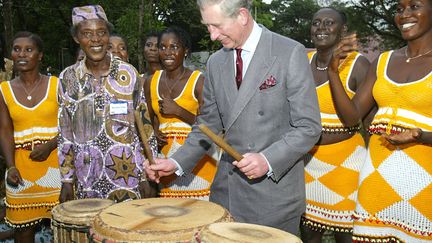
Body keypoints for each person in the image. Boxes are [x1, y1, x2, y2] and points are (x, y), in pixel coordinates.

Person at [145, 0, 322, 235]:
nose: (212, 35)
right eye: (207, 26)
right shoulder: (216, 62)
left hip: (272, 199)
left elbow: (308, 127)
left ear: (242, 16)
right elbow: (207, 124)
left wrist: (267, 160)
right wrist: (176, 162)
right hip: (226, 194)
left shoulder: (289, 52)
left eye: (217, 26)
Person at [326, 0, 432, 241]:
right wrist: (333, 72)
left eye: (414, 6)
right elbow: (352, 116)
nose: (405, 14)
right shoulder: (383, 61)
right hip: (376, 178)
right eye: (399, 9)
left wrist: (421, 135)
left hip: (425, 183)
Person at [58, 5, 156, 203]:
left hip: (128, 176)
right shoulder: (67, 78)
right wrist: (67, 180)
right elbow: (65, 133)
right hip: (86, 179)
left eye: (101, 33)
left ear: (108, 35)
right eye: (87, 33)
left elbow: (145, 128)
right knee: (89, 233)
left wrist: (148, 175)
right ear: (77, 38)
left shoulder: (128, 74)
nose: (95, 40)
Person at [300, 8, 370, 243]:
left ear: (343, 31)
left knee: (345, 235)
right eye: (316, 22)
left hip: (346, 164)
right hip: (307, 162)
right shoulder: (301, 63)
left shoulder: (358, 65)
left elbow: (366, 119)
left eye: (329, 23)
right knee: (309, 233)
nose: (321, 27)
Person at [0, 31, 61, 243]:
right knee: (23, 229)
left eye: (29, 49)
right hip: (21, 169)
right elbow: (5, 131)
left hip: (56, 167)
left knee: (62, 227)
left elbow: (72, 126)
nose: (22, 54)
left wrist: (51, 145)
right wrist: (11, 166)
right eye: (17, 49)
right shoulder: (4, 90)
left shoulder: (56, 84)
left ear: (40, 55)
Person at [144, 26, 217, 200]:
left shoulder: (198, 81)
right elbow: (150, 120)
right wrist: (154, 132)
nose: (167, 52)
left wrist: (179, 111)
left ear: (185, 51)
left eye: (174, 47)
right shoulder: (150, 82)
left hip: (198, 156)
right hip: (166, 159)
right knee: (171, 216)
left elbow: (211, 126)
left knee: (201, 213)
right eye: (163, 47)